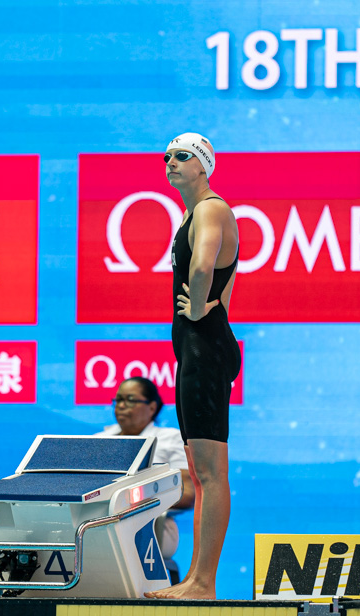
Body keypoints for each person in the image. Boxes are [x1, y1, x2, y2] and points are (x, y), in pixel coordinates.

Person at [146, 132, 240, 600]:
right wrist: (212, 310)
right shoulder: (195, 211)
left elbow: (204, 269)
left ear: (204, 165)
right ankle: (197, 581)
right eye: (166, 156)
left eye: (182, 156)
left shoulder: (209, 208)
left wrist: (202, 311)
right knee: (201, 473)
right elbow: (227, 277)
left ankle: (203, 583)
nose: (170, 162)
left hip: (204, 346)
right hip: (200, 347)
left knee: (210, 474)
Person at [100, 377, 194, 560]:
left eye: (130, 400)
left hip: (152, 521)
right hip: (98, 520)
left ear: (152, 407)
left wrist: (128, 499)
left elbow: (187, 493)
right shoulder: (98, 440)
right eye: (118, 400)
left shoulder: (171, 439)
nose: (121, 405)